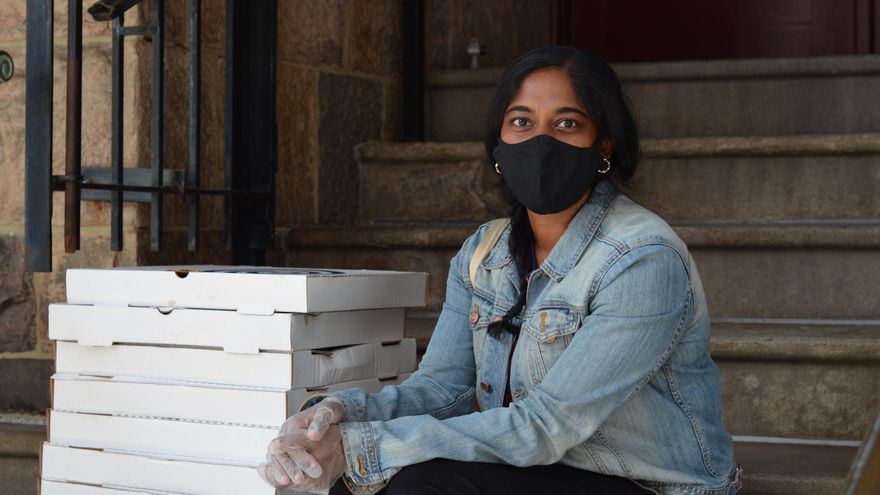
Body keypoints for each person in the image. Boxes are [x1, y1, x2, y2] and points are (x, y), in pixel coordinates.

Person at [258, 45, 740, 495]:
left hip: (645, 483)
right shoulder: (483, 254)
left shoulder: (643, 258)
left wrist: (359, 447)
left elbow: (546, 426)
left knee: (412, 481)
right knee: (353, 478)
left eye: (567, 124)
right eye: (522, 122)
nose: (541, 142)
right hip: (542, 468)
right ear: (499, 149)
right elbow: (440, 390)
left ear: (604, 147)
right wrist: (336, 416)